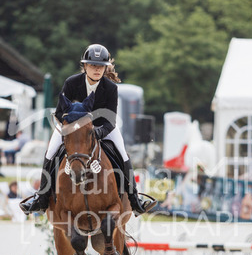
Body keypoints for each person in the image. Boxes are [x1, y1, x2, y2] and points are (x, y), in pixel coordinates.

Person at [20, 44, 156, 216]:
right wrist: (72, 125)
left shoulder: (111, 88)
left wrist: (97, 133)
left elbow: (111, 120)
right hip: (71, 127)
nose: (97, 69)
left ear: (105, 68)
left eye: (100, 66)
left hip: (102, 128)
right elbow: (60, 112)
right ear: (85, 66)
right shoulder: (71, 83)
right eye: (93, 65)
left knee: (122, 153)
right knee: (51, 152)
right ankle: (41, 197)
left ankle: (134, 199)